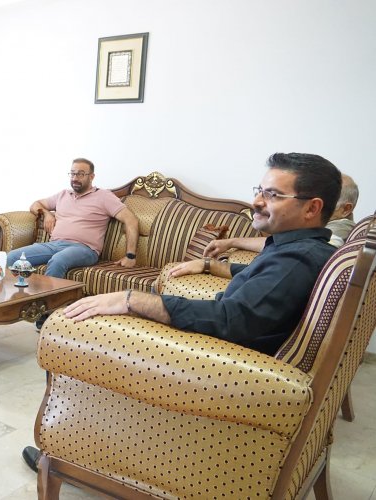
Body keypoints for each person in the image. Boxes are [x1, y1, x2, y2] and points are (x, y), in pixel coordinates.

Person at [21, 152, 341, 473]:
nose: (257, 201)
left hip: (220, 371)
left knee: (75, 330)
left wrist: (133, 300)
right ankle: (79, 444)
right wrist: (208, 264)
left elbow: (229, 319)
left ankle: (64, 457)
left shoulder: (295, 261)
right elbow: (258, 281)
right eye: (259, 190)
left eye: (272, 195)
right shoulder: (299, 250)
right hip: (224, 355)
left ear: (312, 208)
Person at [6, 158, 139, 328]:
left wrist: (130, 256)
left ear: (91, 176)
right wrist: (47, 213)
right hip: (54, 244)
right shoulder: (63, 195)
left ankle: (46, 315)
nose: (75, 178)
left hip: (84, 249)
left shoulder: (104, 196)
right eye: (73, 173)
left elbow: (131, 220)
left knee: (58, 260)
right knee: (12, 257)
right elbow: (35, 204)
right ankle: (13, 305)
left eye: (81, 174)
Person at [204, 174, 359, 255]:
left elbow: (290, 248)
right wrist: (231, 242)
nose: (310, 206)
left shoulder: (338, 233)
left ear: (345, 209)